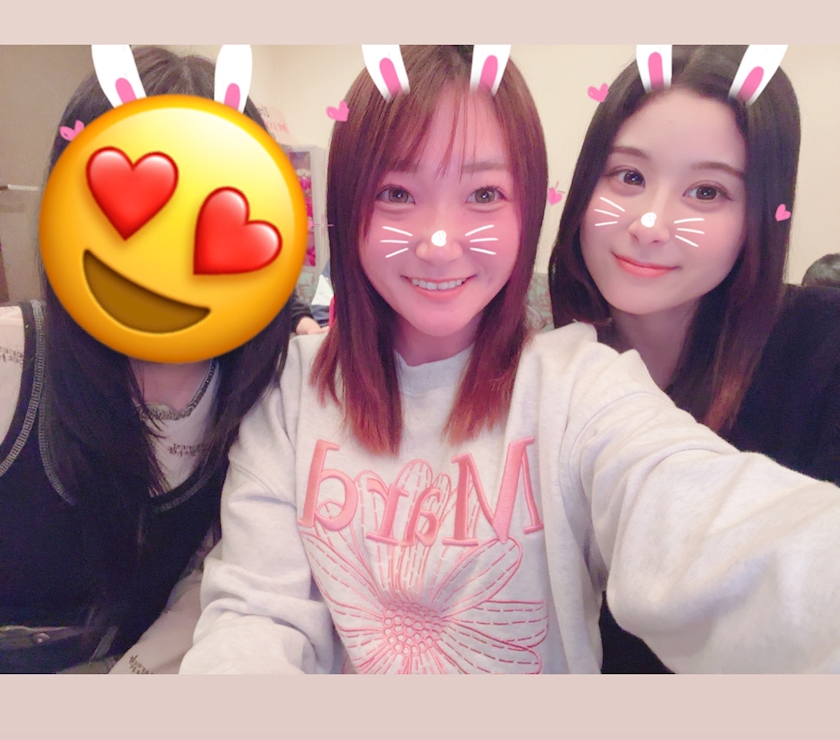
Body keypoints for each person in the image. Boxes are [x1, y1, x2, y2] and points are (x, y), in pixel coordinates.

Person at [181, 43, 840, 676]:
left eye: (484, 194)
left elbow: (717, 527)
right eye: (397, 193)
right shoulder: (293, 388)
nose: (439, 243)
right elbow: (253, 617)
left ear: (527, 206)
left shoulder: (581, 384)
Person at [0, 45, 314, 674]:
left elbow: (223, 583)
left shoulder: (269, 389)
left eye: (212, 212)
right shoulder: (14, 363)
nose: (169, 255)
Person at [549, 44, 840, 672]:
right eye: (628, 177)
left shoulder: (823, 350)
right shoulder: (544, 371)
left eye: (706, 191)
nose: (651, 224)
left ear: (758, 216)